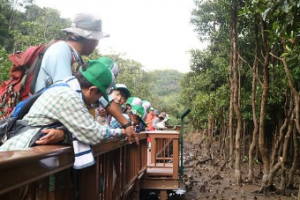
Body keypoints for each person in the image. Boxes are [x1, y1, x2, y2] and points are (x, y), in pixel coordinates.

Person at [32, 13, 136, 142]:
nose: (97, 44)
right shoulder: (61, 50)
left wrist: (126, 125)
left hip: (54, 124)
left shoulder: (77, 59)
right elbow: (67, 97)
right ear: (89, 38)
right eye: (97, 39)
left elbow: (104, 99)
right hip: (41, 126)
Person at [0, 59, 139, 152]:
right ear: (92, 90)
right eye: (99, 96)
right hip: (20, 152)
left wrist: (63, 134)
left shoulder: (67, 86)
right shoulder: (68, 97)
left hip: (26, 151)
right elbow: (92, 133)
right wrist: (121, 131)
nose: (98, 101)